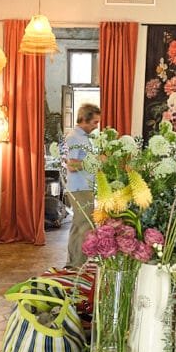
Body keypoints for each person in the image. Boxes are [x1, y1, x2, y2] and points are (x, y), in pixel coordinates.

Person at [64, 102, 101, 267]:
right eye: (94, 122)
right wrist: (96, 160)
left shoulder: (83, 137)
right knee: (85, 225)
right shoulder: (74, 137)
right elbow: (72, 165)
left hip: (84, 187)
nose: (96, 126)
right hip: (79, 188)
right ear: (84, 119)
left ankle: (73, 263)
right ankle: (77, 264)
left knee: (79, 225)